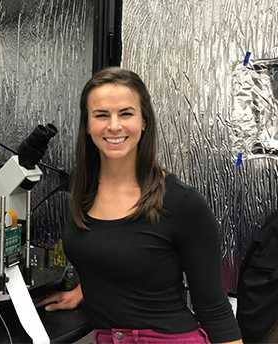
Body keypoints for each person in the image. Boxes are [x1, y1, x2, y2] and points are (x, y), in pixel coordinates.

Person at [34, 67, 243, 344]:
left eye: (126, 113)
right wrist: (83, 291)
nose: (114, 125)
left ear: (144, 121)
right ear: (87, 125)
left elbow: (215, 310)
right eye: (101, 115)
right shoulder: (82, 190)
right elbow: (113, 253)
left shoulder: (182, 204)